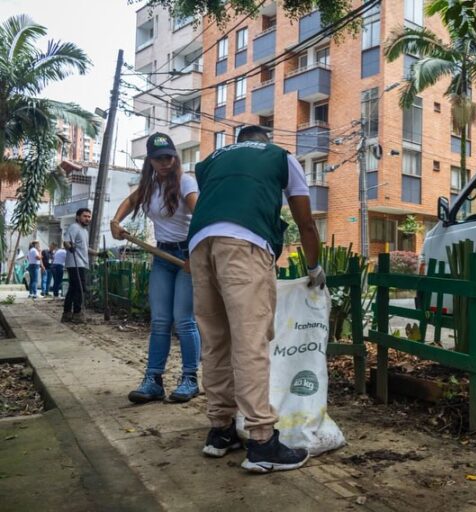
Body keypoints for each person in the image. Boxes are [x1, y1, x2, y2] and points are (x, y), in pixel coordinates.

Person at [189, 125, 324, 473]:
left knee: (215, 340)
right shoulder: (280, 157)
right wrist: (314, 267)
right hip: (244, 246)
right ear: (265, 141)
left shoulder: (211, 162)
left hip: (200, 245)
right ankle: (262, 441)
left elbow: (219, 202)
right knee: (249, 342)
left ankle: (220, 432)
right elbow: (305, 222)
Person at [111, 132, 202, 404]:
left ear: (175, 157)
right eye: (158, 158)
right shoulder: (149, 186)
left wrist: (197, 255)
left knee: (184, 320)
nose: (164, 162)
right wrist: (116, 221)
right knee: (160, 320)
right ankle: (153, 380)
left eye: (168, 157)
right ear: (149, 161)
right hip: (162, 255)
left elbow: (202, 215)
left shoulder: (186, 182)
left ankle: (189, 379)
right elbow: (130, 201)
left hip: (187, 256)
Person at [62, 208, 98, 323]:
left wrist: (99, 254)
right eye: (85, 216)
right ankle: (77, 313)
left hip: (82, 263)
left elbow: (85, 249)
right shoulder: (74, 227)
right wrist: (70, 247)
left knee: (73, 288)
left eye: (89, 216)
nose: (87, 219)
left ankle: (67, 314)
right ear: (78, 217)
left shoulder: (84, 231)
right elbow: (66, 241)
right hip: (75, 263)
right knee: (80, 288)